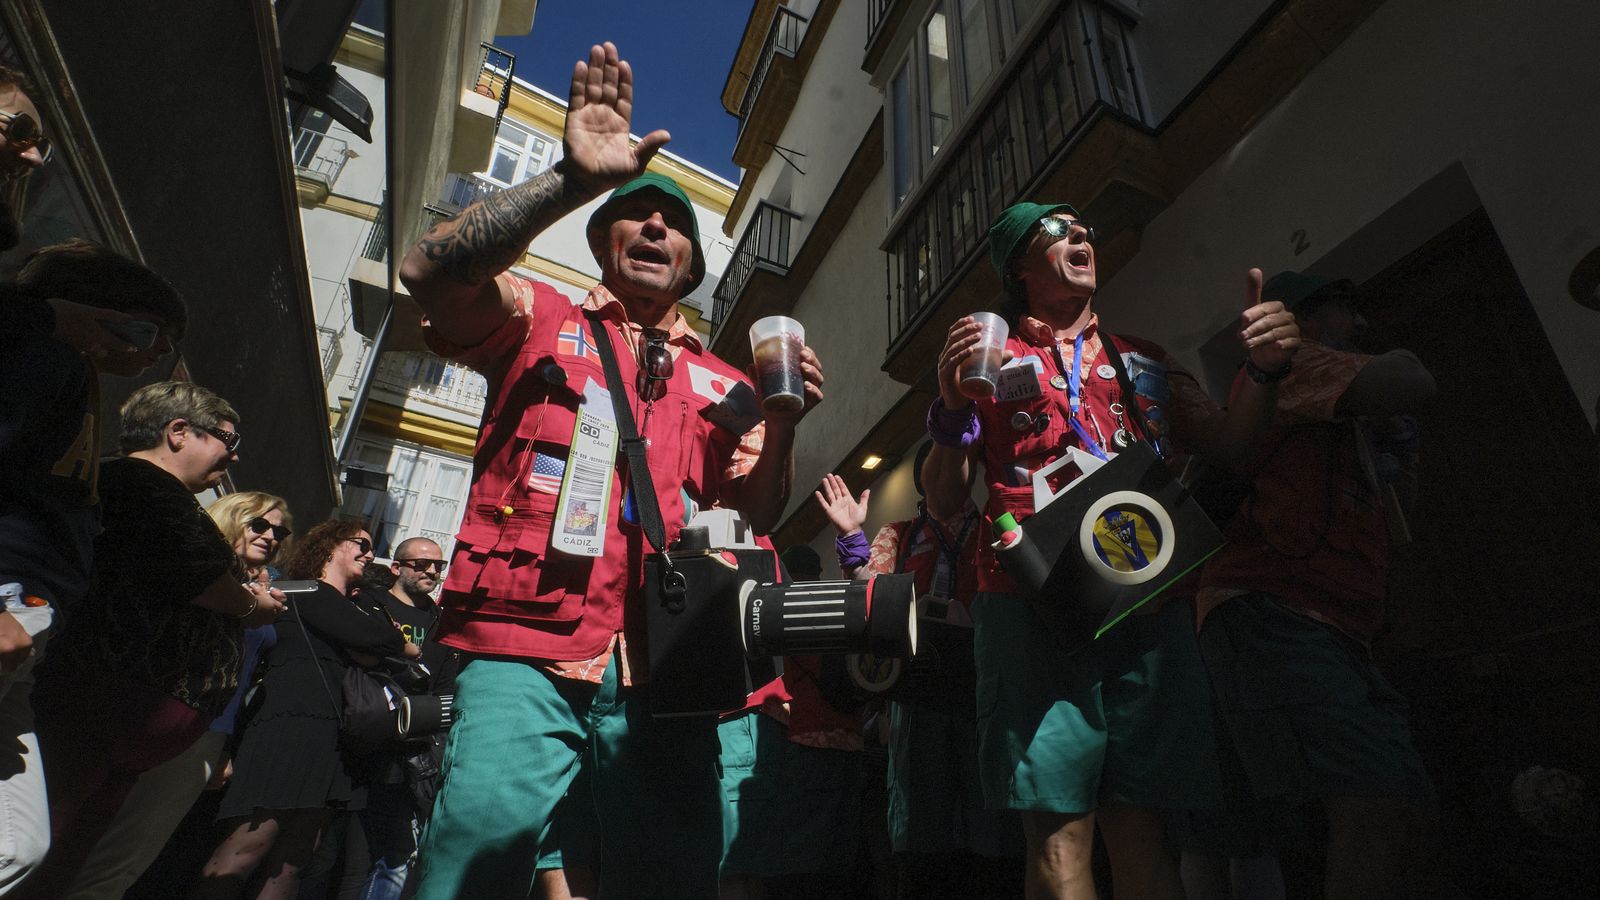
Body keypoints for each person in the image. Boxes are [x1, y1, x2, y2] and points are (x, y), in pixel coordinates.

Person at [398, 42, 824, 899]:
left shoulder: (732, 384)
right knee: (474, 859)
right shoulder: (536, 315)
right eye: (636, 213)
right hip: (526, 647)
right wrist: (570, 176)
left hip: (672, 666)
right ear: (602, 240)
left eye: (676, 223)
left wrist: (782, 428)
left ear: (695, 268)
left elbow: (755, 511)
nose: (659, 225)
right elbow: (426, 275)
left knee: (672, 879)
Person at [921, 202, 1301, 900]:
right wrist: (950, 410)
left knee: (1145, 827)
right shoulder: (988, 357)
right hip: (1029, 601)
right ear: (1021, 269)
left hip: (1146, 598)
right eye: (1058, 231)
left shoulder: (1146, 359)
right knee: (1059, 832)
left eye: (1086, 227)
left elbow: (1232, 447)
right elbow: (945, 501)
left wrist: (1265, 372)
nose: (1082, 235)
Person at [1193, 271, 1436, 900]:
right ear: (1305, 319)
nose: (1358, 325)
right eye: (1343, 309)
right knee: (1369, 800)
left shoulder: (1338, 419)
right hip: (1277, 612)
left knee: (1381, 805)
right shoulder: (1299, 370)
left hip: (1328, 624)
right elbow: (1411, 378)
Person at [16, 383, 285, 900]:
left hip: (125, 726)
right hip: (100, 700)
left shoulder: (169, 496)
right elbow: (201, 579)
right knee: (38, 849)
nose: (235, 454)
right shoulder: (141, 484)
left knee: (65, 861)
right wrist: (254, 607)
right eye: (228, 438)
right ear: (179, 432)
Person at [0, 235, 186, 893]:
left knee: (18, 846)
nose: (143, 360)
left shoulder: (67, 375)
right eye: (143, 334)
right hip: (7, 606)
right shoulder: (48, 361)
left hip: (28, 634)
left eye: (160, 354)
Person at [818, 448, 1026, 899]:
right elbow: (867, 590)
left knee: (996, 830)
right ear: (924, 479)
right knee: (921, 836)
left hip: (986, 690)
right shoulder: (902, 534)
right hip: (918, 698)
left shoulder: (995, 522)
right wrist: (852, 533)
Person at [65, 492, 294, 900]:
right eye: (258, 524)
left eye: (280, 531)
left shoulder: (263, 587)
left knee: (133, 850)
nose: (270, 536)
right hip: (161, 713)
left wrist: (223, 746)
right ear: (232, 518)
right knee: (104, 843)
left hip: (207, 729)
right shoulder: (210, 573)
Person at [192, 521, 417, 900]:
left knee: (294, 860)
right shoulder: (306, 590)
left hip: (331, 735)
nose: (368, 551)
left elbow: (371, 637)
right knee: (247, 847)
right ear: (329, 545)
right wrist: (405, 646)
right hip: (290, 729)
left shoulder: (354, 601)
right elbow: (376, 637)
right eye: (360, 543)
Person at [347, 537, 459, 900]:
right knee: (333, 848)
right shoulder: (369, 604)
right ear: (396, 567)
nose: (431, 572)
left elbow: (443, 688)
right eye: (421, 564)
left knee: (388, 853)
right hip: (357, 734)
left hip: (407, 752)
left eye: (438, 566)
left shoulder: (443, 622)